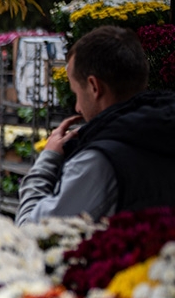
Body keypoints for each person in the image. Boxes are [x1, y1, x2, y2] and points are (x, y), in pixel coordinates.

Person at [16, 26, 175, 225]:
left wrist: (47, 160)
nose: (77, 107)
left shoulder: (99, 162)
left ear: (94, 87)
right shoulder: (163, 129)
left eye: (76, 93)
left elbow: (31, 231)